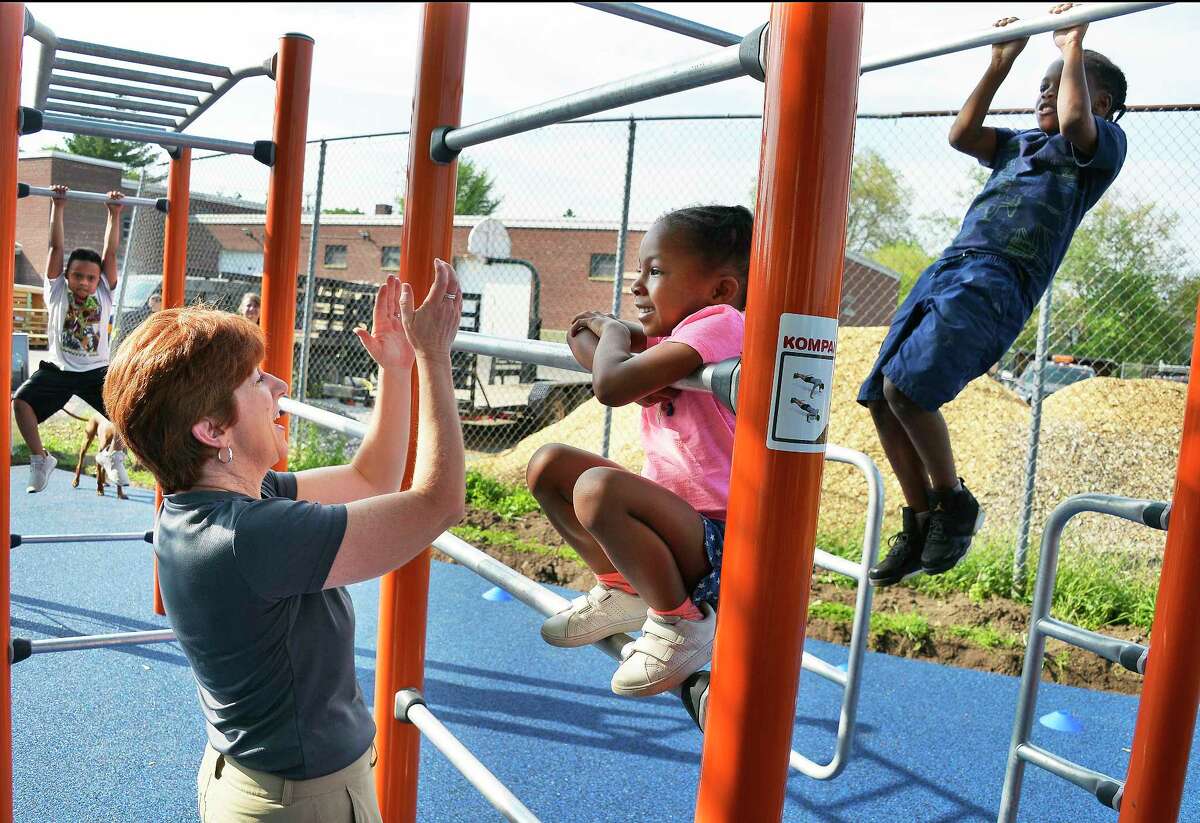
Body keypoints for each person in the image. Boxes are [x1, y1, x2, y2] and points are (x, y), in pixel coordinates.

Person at [103, 260, 465, 822]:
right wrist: (434, 358)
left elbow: (372, 479)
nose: (279, 385)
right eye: (254, 380)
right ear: (213, 430)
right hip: (301, 803)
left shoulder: (213, 505)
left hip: (259, 785)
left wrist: (397, 368)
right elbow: (438, 503)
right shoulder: (250, 536)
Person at [859, 3, 1128, 587]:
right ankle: (922, 515)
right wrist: (1001, 64)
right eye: (1042, 87)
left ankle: (954, 502)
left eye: (1057, 87)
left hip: (1000, 277)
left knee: (909, 390)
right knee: (881, 396)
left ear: (1099, 101)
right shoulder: (1018, 143)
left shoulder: (1100, 144)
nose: (1046, 94)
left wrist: (1072, 47)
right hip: (949, 268)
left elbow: (1078, 117)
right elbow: (961, 135)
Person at [526, 205, 750, 698]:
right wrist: (618, 348)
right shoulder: (675, 337)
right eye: (640, 271)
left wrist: (615, 340)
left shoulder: (721, 323)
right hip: (675, 524)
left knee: (598, 490)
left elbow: (609, 381)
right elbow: (587, 341)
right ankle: (623, 587)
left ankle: (682, 622)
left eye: (656, 271)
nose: (636, 286)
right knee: (549, 466)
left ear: (719, 289)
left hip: (717, 540)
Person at [13, 185, 127, 493]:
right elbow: (55, 249)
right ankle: (41, 459)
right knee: (21, 403)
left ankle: (112, 455)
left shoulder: (105, 291)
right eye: (78, 276)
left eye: (90, 277)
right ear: (67, 276)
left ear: (98, 280)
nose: (84, 282)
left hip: (97, 371)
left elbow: (111, 253)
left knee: (131, 411)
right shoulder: (57, 291)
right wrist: (57, 205)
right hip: (59, 371)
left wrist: (114, 214)